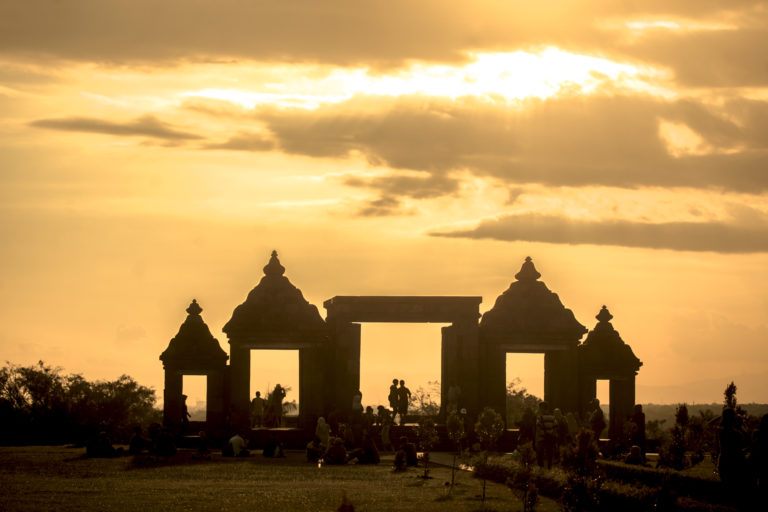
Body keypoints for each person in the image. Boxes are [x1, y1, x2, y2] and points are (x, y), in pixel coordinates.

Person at [535, 401, 556, 469]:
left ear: (542, 408)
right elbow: (555, 428)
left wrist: (536, 440)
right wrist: (552, 435)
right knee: (549, 454)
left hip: (542, 438)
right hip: (550, 438)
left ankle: (541, 469)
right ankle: (549, 468)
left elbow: (538, 429)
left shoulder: (539, 418)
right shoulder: (552, 417)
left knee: (540, 454)